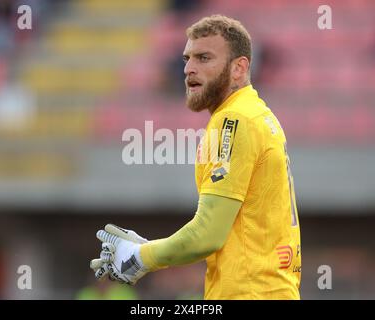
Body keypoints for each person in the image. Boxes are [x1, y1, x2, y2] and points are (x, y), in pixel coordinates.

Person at [90, 15, 301, 300]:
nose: (189, 69)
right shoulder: (253, 114)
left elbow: (207, 234)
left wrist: (141, 256)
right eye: (187, 58)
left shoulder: (235, 120)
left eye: (204, 58)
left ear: (239, 68)